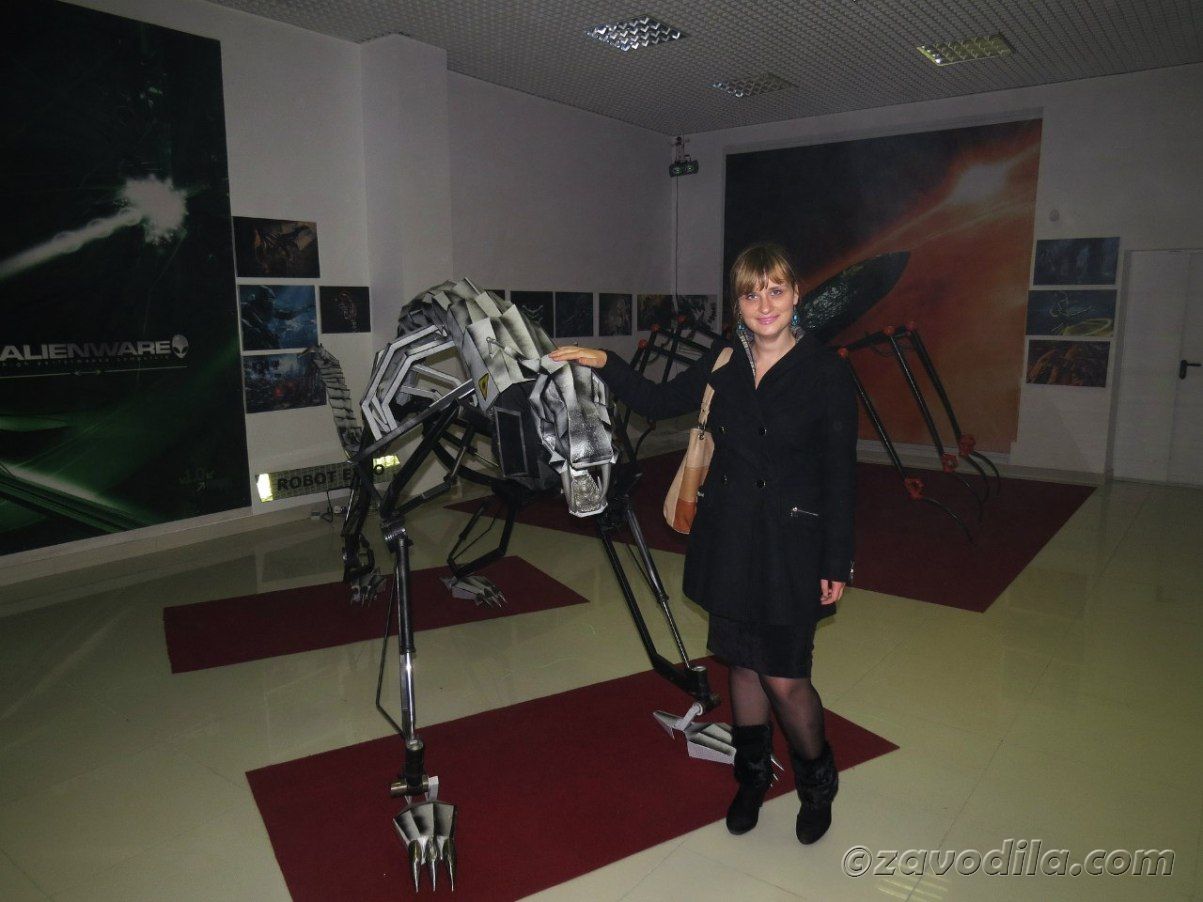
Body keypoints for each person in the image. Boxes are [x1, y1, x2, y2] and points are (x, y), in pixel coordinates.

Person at [549, 243, 857, 846]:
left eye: (775, 290)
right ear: (737, 303)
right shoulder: (725, 358)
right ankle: (751, 779)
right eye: (750, 293)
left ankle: (817, 783)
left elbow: (840, 474)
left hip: (792, 547)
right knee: (741, 664)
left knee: (785, 676)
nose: (764, 304)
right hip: (731, 539)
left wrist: (836, 559)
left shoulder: (825, 371)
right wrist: (605, 362)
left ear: (796, 295)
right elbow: (659, 401)